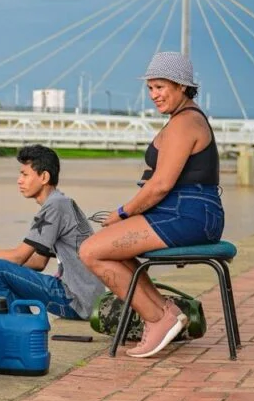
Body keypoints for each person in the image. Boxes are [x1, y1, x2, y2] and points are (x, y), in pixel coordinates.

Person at [80, 51, 225, 358]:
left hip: (187, 213)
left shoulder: (184, 122)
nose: (154, 95)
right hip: (185, 211)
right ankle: (165, 312)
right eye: (150, 88)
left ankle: (158, 318)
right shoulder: (182, 118)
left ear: (182, 86)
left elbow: (161, 185)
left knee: (90, 251)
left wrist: (122, 213)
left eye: (161, 87)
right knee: (110, 251)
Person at [0, 145, 106, 321]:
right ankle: (22, 330)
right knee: (3, 270)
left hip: (77, 300)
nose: (19, 180)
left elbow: (19, 257)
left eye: (25, 175)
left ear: (44, 177)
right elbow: (38, 262)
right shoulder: (61, 202)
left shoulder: (55, 206)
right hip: (86, 299)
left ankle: (12, 333)